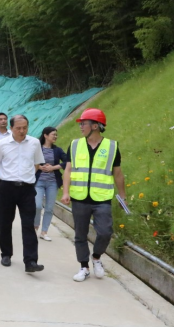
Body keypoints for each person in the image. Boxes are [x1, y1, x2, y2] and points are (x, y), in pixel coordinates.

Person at [60, 108, 126, 282]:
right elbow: (68, 170)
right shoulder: (75, 145)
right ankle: (84, 267)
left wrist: (122, 196)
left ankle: (96, 257)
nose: (81, 126)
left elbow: (117, 174)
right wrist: (66, 191)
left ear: (95, 126)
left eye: (84, 123)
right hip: (79, 198)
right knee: (80, 235)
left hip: (102, 198)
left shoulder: (112, 147)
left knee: (105, 232)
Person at [0, 115, 45, 273]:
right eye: (18, 128)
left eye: (24, 128)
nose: (22, 131)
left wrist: (28, 177)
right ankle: (6, 254)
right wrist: (5, 178)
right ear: (11, 128)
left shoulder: (34, 143)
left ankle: (31, 261)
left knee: (28, 224)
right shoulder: (1, 144)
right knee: (5, 222)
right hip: (7, 187)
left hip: (27, 189)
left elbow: (37, 163)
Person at [34, 126, 67, 241]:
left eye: (56, 135)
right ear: (45, 135)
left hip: (53, 183)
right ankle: (35, 227)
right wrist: (39, 167)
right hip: (39, 182)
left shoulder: (57, 150)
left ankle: (44, 232)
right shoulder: (37, 148)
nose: (55, 137)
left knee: (49, 208)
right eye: (53, 134)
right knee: (37, 206)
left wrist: (53, 167)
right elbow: (29, 161)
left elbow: (68, 161)